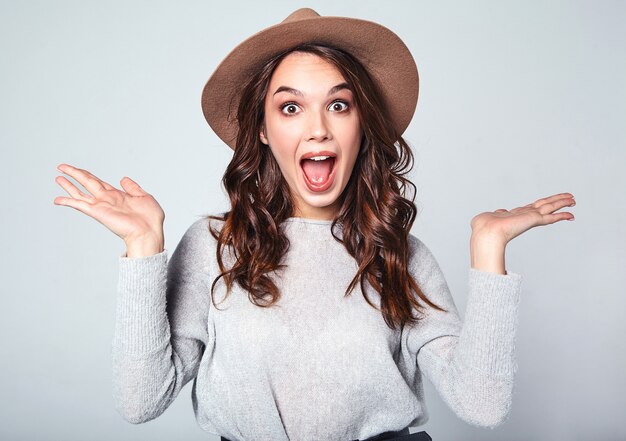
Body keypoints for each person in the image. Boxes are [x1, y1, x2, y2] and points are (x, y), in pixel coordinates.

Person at [53, 8, 576, 441]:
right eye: (290, 107)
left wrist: (488, 250)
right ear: (261, 128)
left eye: (339, 104)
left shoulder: (400, 254)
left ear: (360, 122)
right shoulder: (215, 247)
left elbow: (482, 406)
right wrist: (143, 248)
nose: (318, 128)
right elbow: (144, 401)